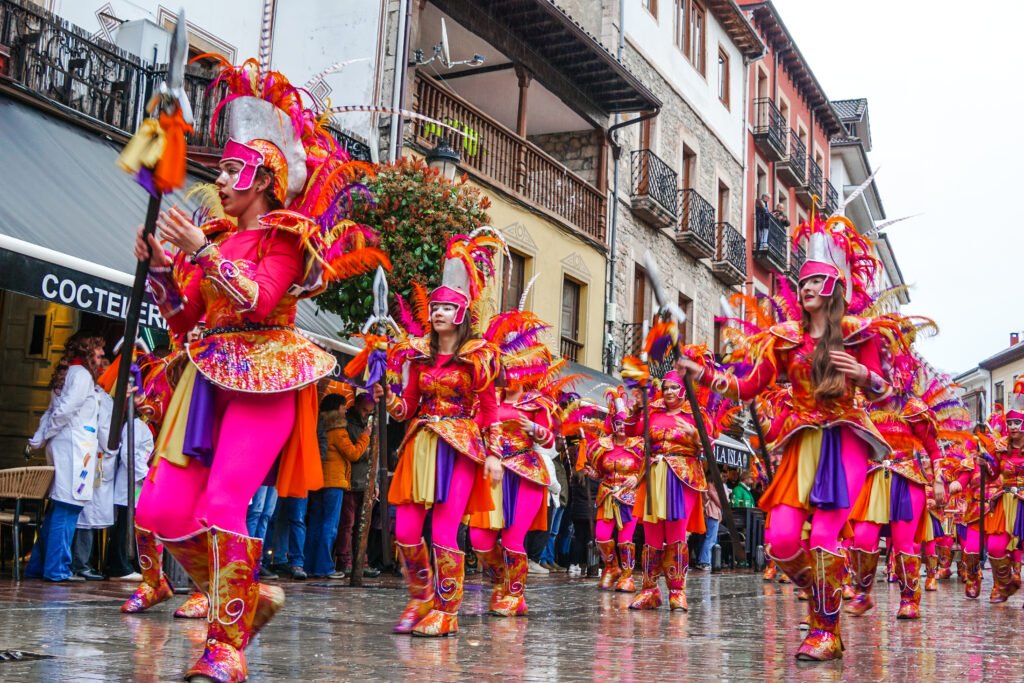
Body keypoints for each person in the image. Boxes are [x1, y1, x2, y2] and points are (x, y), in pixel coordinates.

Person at [130, 58, 387, 681]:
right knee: (160, 510)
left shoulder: (287, 239)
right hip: (207, 378)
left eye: (231, 169)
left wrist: (203, 252)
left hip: (266, 380)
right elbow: (186, 321)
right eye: (220, 168)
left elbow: (261, 300)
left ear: (266, 179)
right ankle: (246, 597)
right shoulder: (216, 236)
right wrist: (161, 271)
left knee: (224, 502)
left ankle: (226, 647)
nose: (219, 179)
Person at [678, 215, 892, 661]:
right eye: (803, 280)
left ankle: (826, 630)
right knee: (781, 539)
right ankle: (821, 602)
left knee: (825, 536)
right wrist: (705, 374)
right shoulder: (784, 340)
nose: (806, 286)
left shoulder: (859, 335)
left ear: (833, 287)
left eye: (815, 279)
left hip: (846, 439)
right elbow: (747, 386)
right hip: (800, 441)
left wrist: (863, 374)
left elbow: (887, 392)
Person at [384, 232, 503, 637]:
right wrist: (389, 398)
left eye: (447, 307)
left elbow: (489, 409)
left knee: (445, 528)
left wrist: (493, 454)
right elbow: (408, 407)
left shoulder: (477, 357)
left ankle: (446, 609)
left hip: (461, 445)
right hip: (421, 442)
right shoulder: (418, 356)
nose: (437, 312)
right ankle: (420, 598)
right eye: (434, 307)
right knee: (405, 529)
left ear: (461, 312)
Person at [469, 307, 556, 616]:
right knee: (479, 539)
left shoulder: (537, 403)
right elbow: (473, 430)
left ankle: (515, 595)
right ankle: (501, 583)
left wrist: (533, 428)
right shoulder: (487, 401)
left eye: (516, 368)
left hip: (526, 472)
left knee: (513, 537)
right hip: (491, 473)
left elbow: (550, 441)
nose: (510, 374)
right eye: (506, 367)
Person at [628, 368, 713, 612]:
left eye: (674, 387)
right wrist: (635, 412)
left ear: (684, 390)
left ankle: (677, 591)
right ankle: (649, 590)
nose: (669, 392)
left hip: (683, 475)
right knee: (652, 533)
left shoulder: (696, 414)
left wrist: (695, 434)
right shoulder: (653, 411)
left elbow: (709, 446)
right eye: (665, 388)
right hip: (654, 473)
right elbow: (632, 431)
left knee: (676, 531)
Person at [25, 334, 106, 583]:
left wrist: (40, 438)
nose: (102, 356)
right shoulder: (81, 375)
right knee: (68, 506)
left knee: (60, 507)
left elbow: (52, 411)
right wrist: (45, 435)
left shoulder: (70, 374)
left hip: (69, 445)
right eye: (99, 351)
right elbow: (64, 410)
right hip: (74, 448)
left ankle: (39, 565)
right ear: (88, 352)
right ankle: (57, 568)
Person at [580, 388, 644, 591]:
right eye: (618, 423)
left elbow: (648, 468)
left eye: (625, 423)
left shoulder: (639, 446)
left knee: (625, 539)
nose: (622, 427)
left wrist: (636, 477)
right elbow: (600, 471)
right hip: (607, 495)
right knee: (601, 535)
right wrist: (594, 474)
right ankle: (611, 567)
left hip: (630, 497)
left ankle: (627, 575)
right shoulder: (602, 446)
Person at [333, 392, 379, 576]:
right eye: (364, 410)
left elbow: (374, 457)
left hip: (366, 482)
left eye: (369, 412)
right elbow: (355, 453)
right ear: (357, 406)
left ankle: (361, 561)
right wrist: (367, 444)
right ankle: (344, 561)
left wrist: (375, 482)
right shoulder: (348, 424)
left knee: (363, 525)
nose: (366, 414)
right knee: (347, 525)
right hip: (351, 481)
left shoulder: (370, 426)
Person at [696, 484, 722, 572]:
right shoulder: (710, 485)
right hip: (712, 513)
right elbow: (719, 502)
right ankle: (705, 561)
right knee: (711, 539)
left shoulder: (705, 485)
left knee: (707, 538)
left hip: (709, 513)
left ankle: (702, 560)